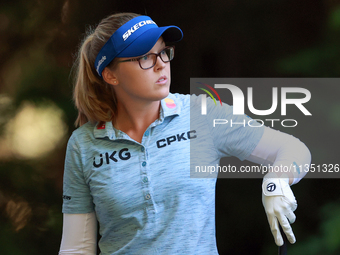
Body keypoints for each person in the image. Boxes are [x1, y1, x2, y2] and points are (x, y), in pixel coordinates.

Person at [59, 12, 311, 255]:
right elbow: (76, 249)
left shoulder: (202, 114)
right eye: (145, 58)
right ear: (110, 75)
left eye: (163, 53)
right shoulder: (84, 145)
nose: (161, 65)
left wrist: (277, 180)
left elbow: (294, 149)